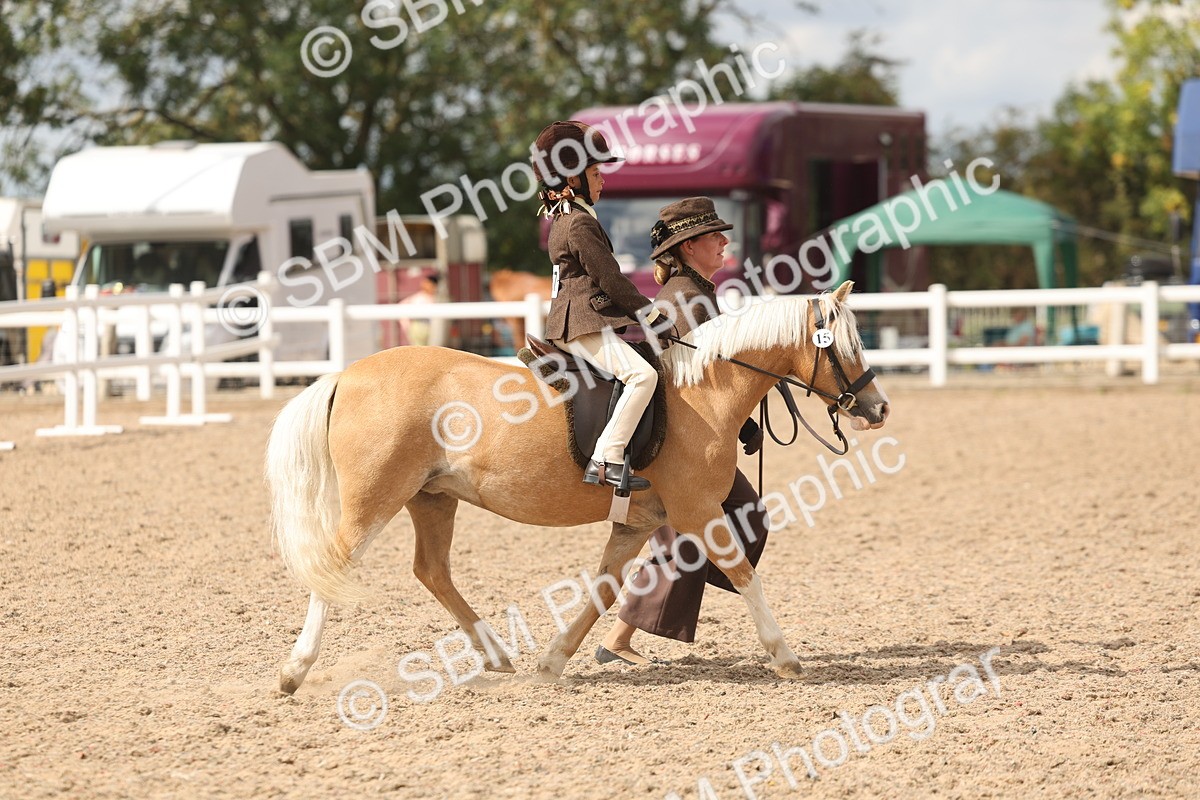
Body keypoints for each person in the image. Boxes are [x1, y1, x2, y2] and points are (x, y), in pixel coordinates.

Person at [596, 197, 769, 665]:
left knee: (741, 516)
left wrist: (742, 423)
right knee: (691, 537)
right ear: (691, 246)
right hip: (679, 447)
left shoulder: (696, 292)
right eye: (715, 236)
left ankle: (624, 634)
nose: (724, 242)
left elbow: (706, 375)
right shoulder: (683, 298)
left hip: (696, 441)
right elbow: (683, 377)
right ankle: (618, 639)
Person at [534, 120, 672, 492]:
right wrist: (651, 313)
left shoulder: (568, 219)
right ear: (574, 179)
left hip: (578, 320)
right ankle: (606, 458)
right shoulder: (578, 224)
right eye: (596, 173)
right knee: (643, 376)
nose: (603, 180)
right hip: (580, 323)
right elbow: (610, 280)